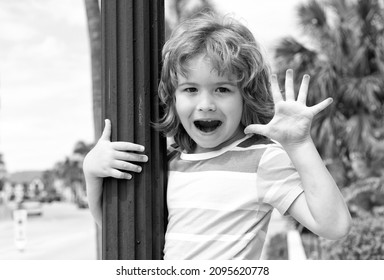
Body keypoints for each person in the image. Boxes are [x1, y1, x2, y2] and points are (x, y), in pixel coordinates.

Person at [83, 13, 351, 260]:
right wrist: (91, 173)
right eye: (190, 89)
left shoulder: (262, 159)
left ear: (246, 96)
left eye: (222, 89)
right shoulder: (168, 161)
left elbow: (334, 225)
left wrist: (299, 144)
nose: (206, 103)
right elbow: (121, 231)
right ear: (172, 99)